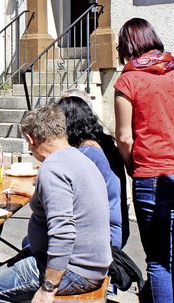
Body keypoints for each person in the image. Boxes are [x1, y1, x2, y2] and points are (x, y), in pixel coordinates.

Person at [0, 104, 112, 302]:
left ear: (31, 139)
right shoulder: (80, 159)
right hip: (90, 264)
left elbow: (63, 232)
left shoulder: (52, 168)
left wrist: (48, 287)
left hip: (74, 270)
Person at [114, 17, 174, 302]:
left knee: (159, 261)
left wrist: (130, 166)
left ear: (128, 45)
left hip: (150, 174)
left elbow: (124, 137)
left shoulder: (128, 81)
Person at [57, 96, 128, 249]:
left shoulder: (86, 153)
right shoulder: (104, 144)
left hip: (105, 235)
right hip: (117, 227)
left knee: (34, 241)